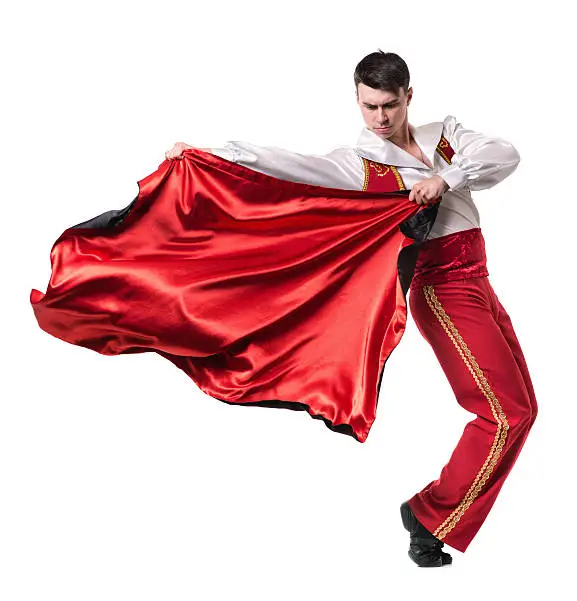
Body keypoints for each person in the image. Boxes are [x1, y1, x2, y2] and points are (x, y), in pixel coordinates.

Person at [164, 50, 537, 568]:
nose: (380, 118)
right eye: (368, 107)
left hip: (480, 280)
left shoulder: (443, 137)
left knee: (524, 409)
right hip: (441, 289)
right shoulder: (359, 164)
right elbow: (285, 164)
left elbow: (505, 155)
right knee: (503, 412)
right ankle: (430, 518)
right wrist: (208, 154)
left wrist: (444, 179)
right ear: (357, 101)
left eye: (388, 105)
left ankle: (431, 514)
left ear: (408, 96)